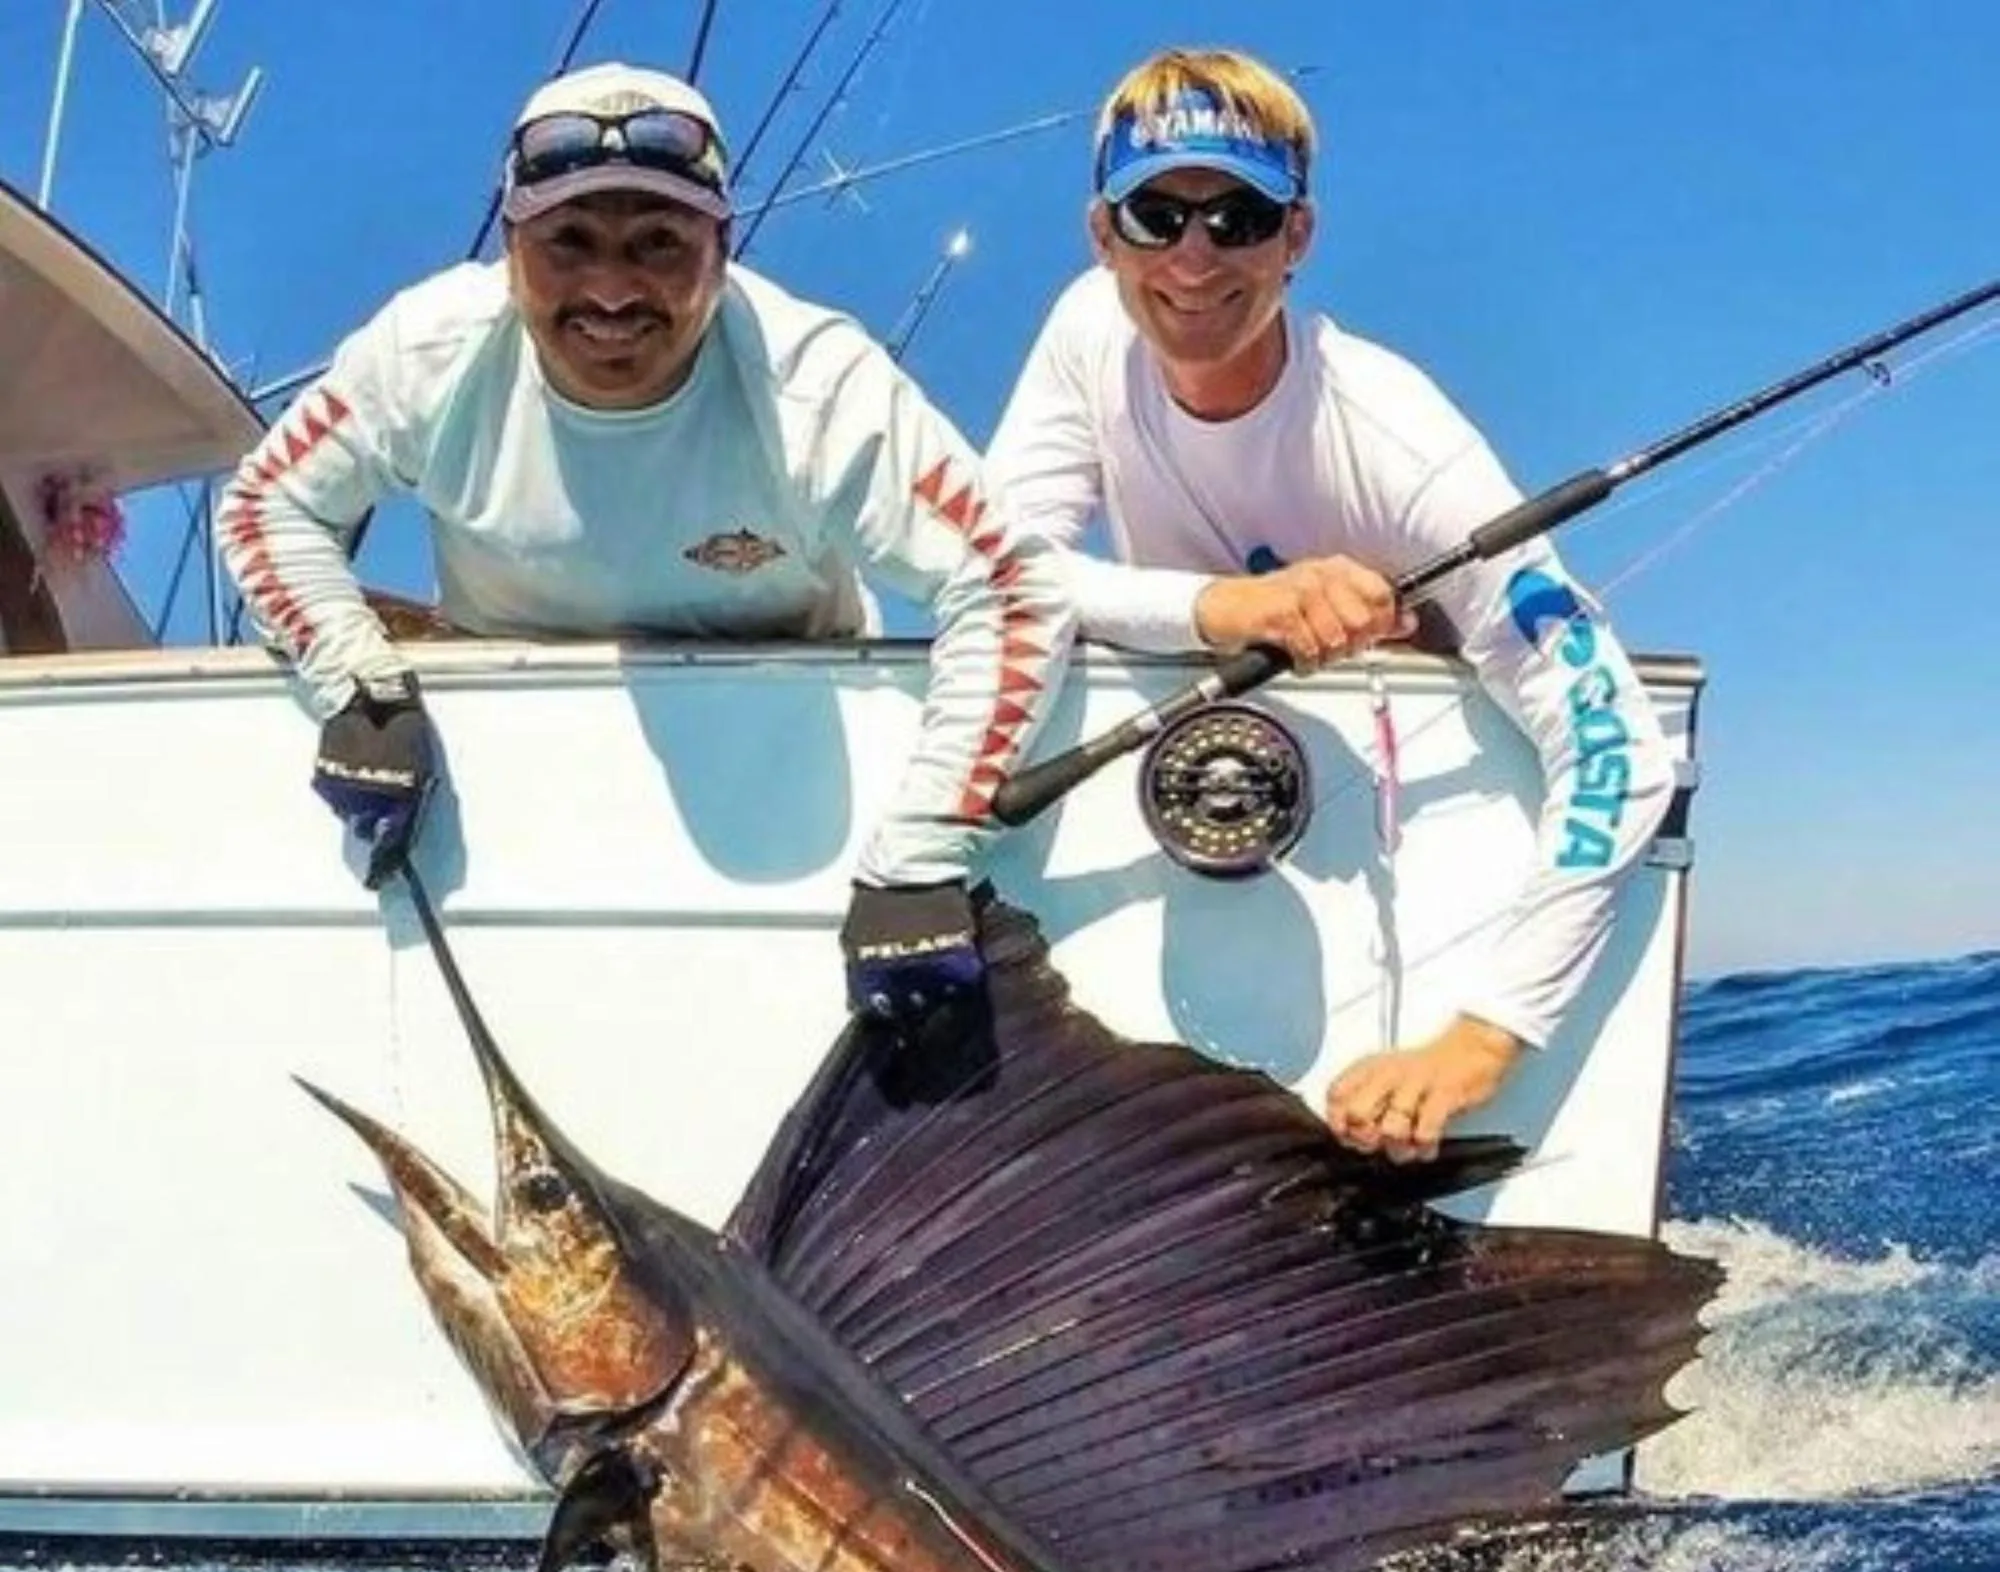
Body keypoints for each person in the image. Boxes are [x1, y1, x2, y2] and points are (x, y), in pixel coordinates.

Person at [218, 62, 1073, 1027]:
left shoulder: (816, 382)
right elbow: (267, 504)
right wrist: (360, 685)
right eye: (569, 242)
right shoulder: (426, 351)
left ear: (723, 249)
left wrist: (924, 849)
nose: (613, 288)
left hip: (786, 780)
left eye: (659, 243)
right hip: (512, 783)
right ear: (510, 249)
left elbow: (1008, 583)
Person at [985, 46, 1674, 1161]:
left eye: (1240, 218)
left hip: (1394, 851)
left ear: (1296, 237)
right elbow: (1000, 573)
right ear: (1102, 234)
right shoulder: (1083, 334)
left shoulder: (1394, 434)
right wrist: (1232, 606)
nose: (1194, 257)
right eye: (1157, 215)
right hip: (1185, 846)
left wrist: (1483, 1039)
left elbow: (1619, 743)